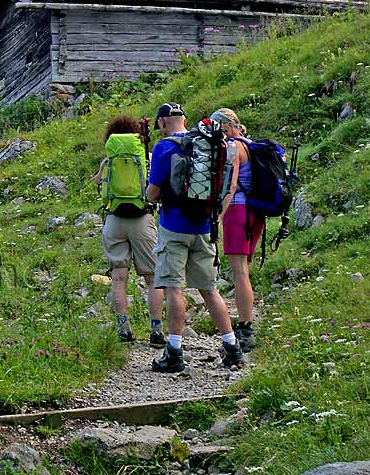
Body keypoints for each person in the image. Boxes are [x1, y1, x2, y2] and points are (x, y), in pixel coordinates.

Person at [147, 101, 245, 372]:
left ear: (162, 123)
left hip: (173, 227)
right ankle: (232, 348)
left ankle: (175, 352)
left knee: (174, 287)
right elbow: (227, 187)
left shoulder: (164, 147)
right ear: (185, 119)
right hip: (204, 226)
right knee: (209, 289)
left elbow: (153, 193)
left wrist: (149, 195)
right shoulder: (211, 145)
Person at [92, 115, 165, 346]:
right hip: (142, 219)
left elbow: (97, 183)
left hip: (114, 221)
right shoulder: (147, 158)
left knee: (119, 278)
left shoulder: (108, 161)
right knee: (153, 278)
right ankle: (156, 330)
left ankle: (124, 328)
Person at [210, 108, 261, 352]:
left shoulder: (233, 147)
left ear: (227, 127)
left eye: (218, 127)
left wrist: (219, 214)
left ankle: (245, 329)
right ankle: (246, 324)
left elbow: (230, 184)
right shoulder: (251, 145)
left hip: (237, 211)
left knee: (239, 272)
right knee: (244, 270)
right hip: (255, 213)